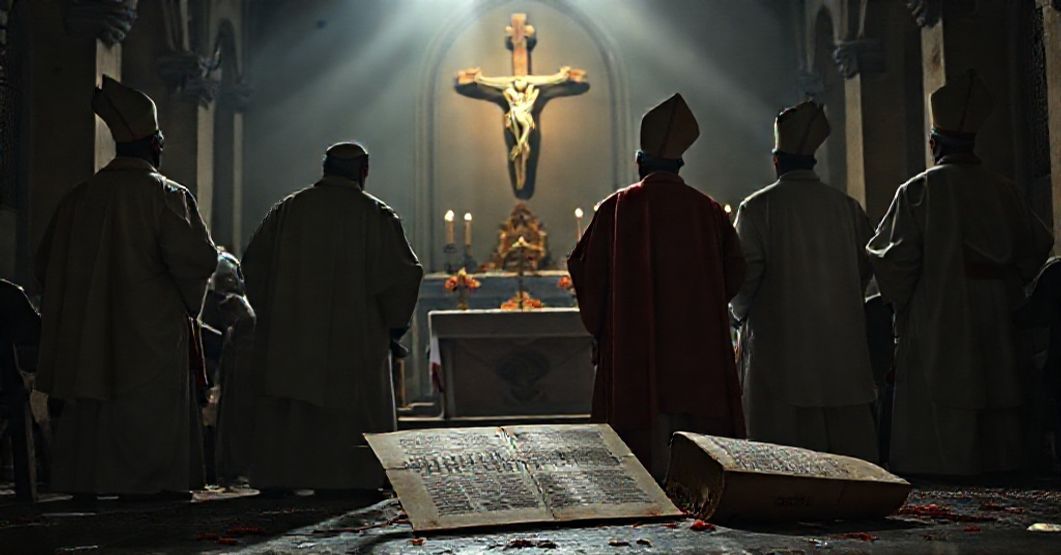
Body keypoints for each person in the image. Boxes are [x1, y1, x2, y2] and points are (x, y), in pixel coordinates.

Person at [35, 75, 218, 499]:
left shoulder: (79, 198)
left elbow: (46, 266)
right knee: (146, 416)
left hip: (89, 336)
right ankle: (149, 485)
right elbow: (198, 260)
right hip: (150, 336)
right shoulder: (166, 195)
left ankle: (89, 482)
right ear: (155, 144)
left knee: (95, 411)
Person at [867, 70, 1054, 476]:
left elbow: (892, 262)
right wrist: (1009, 278)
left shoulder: (919, 190)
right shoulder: (1003, 188)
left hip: (940, 309)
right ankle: (1002, 466)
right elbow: (1037, 244)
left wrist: (903, 302)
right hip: (999, 309)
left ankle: (946, 470)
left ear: (934, 144)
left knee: (945, 392)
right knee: (997, 390)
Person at [568, 94, 746, 479]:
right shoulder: (708, 210)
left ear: (640, 162)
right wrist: (701, 306)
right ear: (679, 164)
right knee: (695, 441)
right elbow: (734, 272)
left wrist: (604, 325)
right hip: (696, 347)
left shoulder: (616, 208)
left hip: (634, 348)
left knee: (640, 444)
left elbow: (587, 271)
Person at [242, 142, 423, 495]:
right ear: (364, 171)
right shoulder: (375, 215)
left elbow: (253, 267)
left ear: (325, 168)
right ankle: (350, 478)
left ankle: (287, 475)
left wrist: (276, 315)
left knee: (294, 411)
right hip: (355, 341)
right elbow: (403, 277)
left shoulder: (288, 211)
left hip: (293, 338)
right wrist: (393, 325)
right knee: (350, 414)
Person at [731, 102, 879, 462]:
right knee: (846, 455)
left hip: (781, 351)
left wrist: (738, 313)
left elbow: (743, 280)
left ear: (776, 161)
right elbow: (866, 267)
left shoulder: (757, 208)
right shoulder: (846, 207)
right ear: (813, 161)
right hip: (840, 347)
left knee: (786, 459)